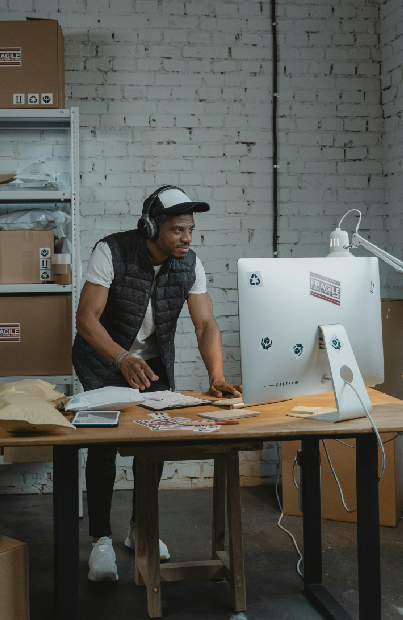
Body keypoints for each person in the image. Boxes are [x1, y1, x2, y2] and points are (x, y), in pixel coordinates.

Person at [73, 185, 242, 582]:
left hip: (151, 364)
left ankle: (140, 528)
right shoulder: (110, 251)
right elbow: (86, 319)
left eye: (190, 229)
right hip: (103, 361)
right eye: (178, 230)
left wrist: (215, 375)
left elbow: (205, 323)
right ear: (151, 227)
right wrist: (120, 357)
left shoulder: (190, 263)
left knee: (155, 441)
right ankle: (100, 539)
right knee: (103, 450)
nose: (187, 238)